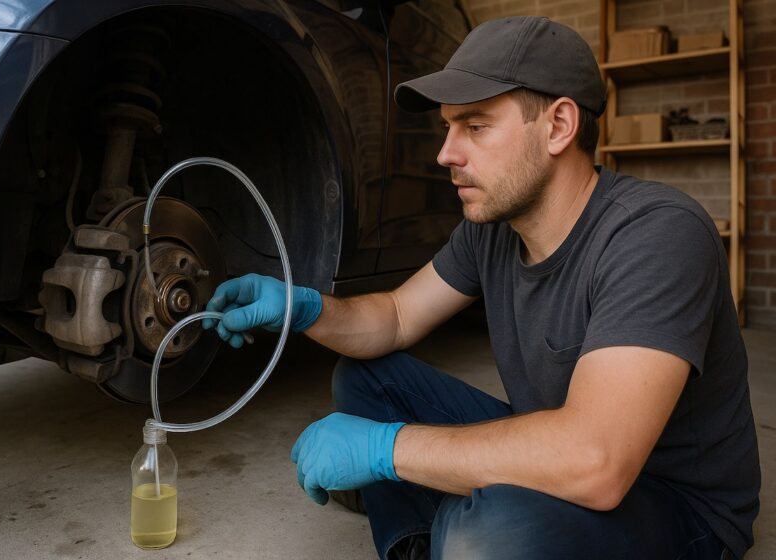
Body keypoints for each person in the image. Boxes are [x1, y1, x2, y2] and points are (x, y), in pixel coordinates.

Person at [203, 16, 760, 560]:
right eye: (448, 127)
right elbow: (397, 316)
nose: (446, 153)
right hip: (561, 451)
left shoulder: (657, 233)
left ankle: (445, 515)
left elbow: (598, 460)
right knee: (366, 377)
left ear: (559, 127)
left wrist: (386, 451)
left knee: (488, 535)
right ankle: (419, 543)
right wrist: (301, 308)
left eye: (475, 126)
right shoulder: (491, 230)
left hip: (668, 502)